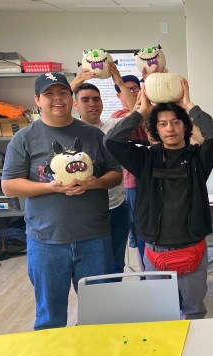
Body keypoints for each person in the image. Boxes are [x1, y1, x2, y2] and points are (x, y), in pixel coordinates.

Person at [1, 72, 122, 330]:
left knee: (98, 316)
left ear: (71, 98)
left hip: (94, 238)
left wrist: (95, 183)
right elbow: (9, 185)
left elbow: (115, 174)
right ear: (37, 99)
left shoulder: (93, 135)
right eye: (49, 94)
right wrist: (50, 187)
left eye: (63, 93)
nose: (57, 99)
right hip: (46, 242)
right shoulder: (24, 138)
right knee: (50, 318)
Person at [105, 79, 213, 319]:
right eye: (163, 124)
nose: (170, 128)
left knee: (194, 311)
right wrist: (140, 111)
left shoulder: (197, 159)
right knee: (162, 313)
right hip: (155, 249)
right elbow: (112, 141)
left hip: (192, 248)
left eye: (175, 122)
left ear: (185, 126)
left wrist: (189, 105)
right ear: (155, 130)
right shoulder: (145, 158)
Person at [71, 64, 136, 277]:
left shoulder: (113, 126)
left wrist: (118, 80)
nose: (92, 104)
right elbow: (48, 107)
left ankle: (113, 306)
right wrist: (76, 82)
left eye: (96, 99)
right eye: (85, 99)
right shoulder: (68, 132)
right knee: (90, 267)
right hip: (85, 211)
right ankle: (95, 307)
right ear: (75, 105)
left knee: (116, 263)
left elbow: (138, 112)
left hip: (117, 207)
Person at [111, 74, 151, 270]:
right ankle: (144, 271)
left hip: (152, 178)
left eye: (136, 88)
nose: (133, 92)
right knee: (138, 227)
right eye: (126, 89)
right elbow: (133, 118)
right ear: (119, 95)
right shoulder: (118, 117)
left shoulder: (150, 113)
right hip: (132, 183)